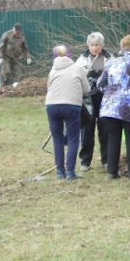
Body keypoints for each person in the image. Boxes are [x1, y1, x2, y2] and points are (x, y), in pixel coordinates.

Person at [98, 35, 130, 179]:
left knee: (113, 138)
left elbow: (100, 83)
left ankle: (112, 171)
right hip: (128, 107)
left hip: (109, 107)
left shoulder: (112, 62)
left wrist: (111, 93)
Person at [45, 45, 90, 180]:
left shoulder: (52, 70)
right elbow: (86, 90)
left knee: (57, 139)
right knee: (73, 138)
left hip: (52, 106)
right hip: (71, 106)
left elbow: (49, 88)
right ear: (69, 55)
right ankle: (70, 172)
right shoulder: (78, 68)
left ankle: (60, 172)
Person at [75, 32, 114, 172]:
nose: (94, 48)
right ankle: (85, 161)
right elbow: (77, 77)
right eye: (92, 45)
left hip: (104, 98)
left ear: (101, 45)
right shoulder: (82, 59)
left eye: (97, 45)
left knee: (105, 130)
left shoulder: (109, 58)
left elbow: (114, 76)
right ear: (88, 46)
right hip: (88, 98)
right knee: (87, 129)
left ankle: (106, 160)